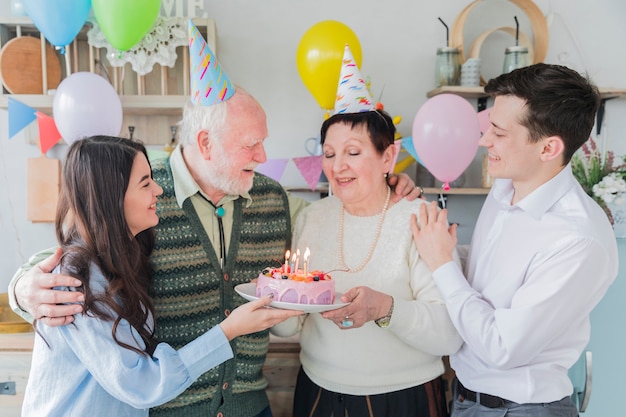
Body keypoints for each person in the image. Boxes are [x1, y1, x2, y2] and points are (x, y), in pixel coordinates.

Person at [8, 22, 421, 417]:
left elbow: (339, 211)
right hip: (168, 409)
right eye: (251, 145)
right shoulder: (141, 193)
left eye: (264, 144)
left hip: (249, 407)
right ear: (206, 143)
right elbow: (75, 258)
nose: (262, 157)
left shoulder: (272, 198)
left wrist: (389, 184)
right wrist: (22, 290)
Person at [22, 136, 302, 417]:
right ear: (111, 197)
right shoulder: (77, 280)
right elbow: (141, 383)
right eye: (145, 183)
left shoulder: (117, 261)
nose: (158, 190)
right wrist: (229, 329)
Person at [410, 63, 618, 417]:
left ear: (548, 148)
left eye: (499, 132)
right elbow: (483, 276)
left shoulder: (578, 240)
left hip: (522, 410)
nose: (483, 140)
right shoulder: (505, 185)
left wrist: (443, 264)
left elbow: (501, 347)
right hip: (464, 399)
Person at [271, 45, 463, 417]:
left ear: (387, 157)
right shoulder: (312, 218)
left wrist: (384, 308)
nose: (338, 166)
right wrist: (277, 305)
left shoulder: (421, 218)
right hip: (317, 393)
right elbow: (291, 323)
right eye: (329, 154)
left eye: (353, 152)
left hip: (402, 398)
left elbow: (449, 332)